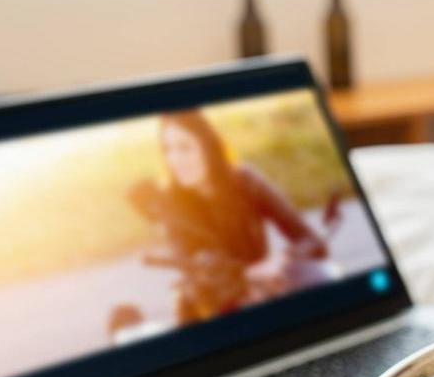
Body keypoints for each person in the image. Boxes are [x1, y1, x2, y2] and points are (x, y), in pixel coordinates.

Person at [127, 110, 332, 324]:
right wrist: (249, 276)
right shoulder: (170, 206)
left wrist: (281, 260)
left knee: (316, 275)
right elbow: (203, 284)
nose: (174, 160)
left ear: (208, 148)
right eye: (167, 150)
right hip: (213, 309)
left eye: (185, 148)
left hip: (265, 286)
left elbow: (313, 242)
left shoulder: (246, 181)